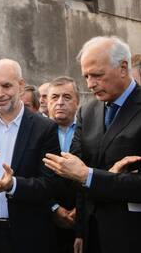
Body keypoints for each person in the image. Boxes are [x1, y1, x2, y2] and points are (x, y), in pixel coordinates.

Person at [43, 36, 141, 253]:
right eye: (86, 76)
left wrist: (91, 176)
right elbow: (74, 175)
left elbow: (83, 173)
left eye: (97, 75)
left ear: (123, 68)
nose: (89, 84)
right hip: (92, 233)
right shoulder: (87, 112)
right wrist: (80, 231)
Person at [0, 59, 61, 253]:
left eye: (6, 85)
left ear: (21, 86)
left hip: (27, 236)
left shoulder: (45, 128)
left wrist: (12, 185)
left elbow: (51, 184)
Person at [46, 76, 80, 253]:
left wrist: (80, 210)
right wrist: (54, 208)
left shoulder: (89, 130)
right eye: (54, 97)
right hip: (45, 222)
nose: (60, 102)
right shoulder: (37, 132)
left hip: (82, 222)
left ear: (77, 101)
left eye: (67, 97)